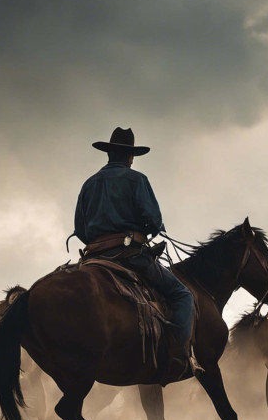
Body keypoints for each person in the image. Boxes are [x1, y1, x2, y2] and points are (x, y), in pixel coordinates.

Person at [74, 127, 195, 372]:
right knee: (184, 296)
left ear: (109, 154)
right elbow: (154, 219)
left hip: (94, 259)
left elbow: (80, 229)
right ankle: (176, 355)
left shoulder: (88, 184)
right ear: (130, 157)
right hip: (129, 257)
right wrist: (152, 227)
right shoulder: (137, 179)